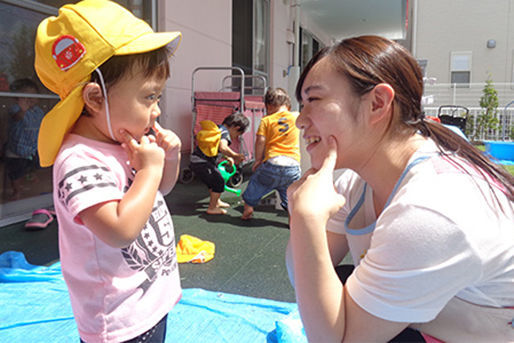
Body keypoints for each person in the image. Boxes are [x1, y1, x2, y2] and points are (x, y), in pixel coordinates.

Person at [285, 35, 514, 342]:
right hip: (440, 325)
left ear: (377, 104)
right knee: (335, 283)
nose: (300, 120)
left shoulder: (431, 207)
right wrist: (305, 220)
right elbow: (303, 276)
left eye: (313, 100)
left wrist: (306, 218)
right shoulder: (356, 182)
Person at [34, 1, 183, 342]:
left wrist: (167, 162)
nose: (157, 111)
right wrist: (149, 170)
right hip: (119, 321)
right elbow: (119, 230)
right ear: (95, 98)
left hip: (148, 303)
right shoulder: (79, 161)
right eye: (149, 97)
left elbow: (159, 192)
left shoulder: (122, 141)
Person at [241, 87, 301, 220]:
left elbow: (260, 141)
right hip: (292, 166)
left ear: (268, 106)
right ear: (288, 105)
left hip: (272, 163)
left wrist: (257, 160)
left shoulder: (266, 120)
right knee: (290, 195)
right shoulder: (296, 116)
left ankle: (248, 207)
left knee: (256, 183)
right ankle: (292, 221)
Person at [189, 112, 249, 215]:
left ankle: (216, 201)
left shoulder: (217, 128)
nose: (235, 138)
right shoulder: (225, 133)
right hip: (203, 162)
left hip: (197, 161)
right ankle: (212, 208)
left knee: (213, 181)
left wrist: (227, 157)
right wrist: (235, 156)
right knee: (219, 181)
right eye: (238, 135)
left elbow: (215, 148)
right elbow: (223, 147)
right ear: (236, 127)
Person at [4, 78, 45, 199]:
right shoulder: (16, 109)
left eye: (34, 96)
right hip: (16, 150)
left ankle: (30, 174)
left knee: (32, 165)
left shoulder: (38, 111)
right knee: (16, 173)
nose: (30, 99)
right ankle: (17, 190)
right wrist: (23, 109)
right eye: (26, 96)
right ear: (18, 98)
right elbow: (16, 117)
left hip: (32, 148)